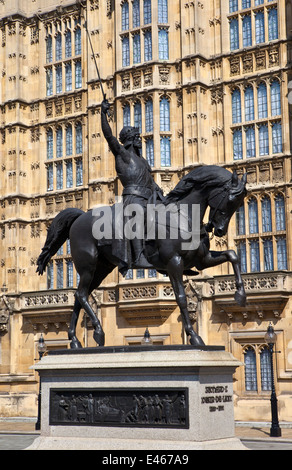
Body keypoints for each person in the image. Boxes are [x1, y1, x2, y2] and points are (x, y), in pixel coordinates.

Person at [101, 98, 164, 274]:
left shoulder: (142, 161)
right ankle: (138, 257)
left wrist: (159, 191)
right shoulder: (123, 155)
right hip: (133, 198)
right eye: (136, 138)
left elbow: (150, 181)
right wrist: (103, 114)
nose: (139, 141)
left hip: (148, 197)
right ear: (129, 140)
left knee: (170, 215)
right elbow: (109, 136)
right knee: (137, 214)